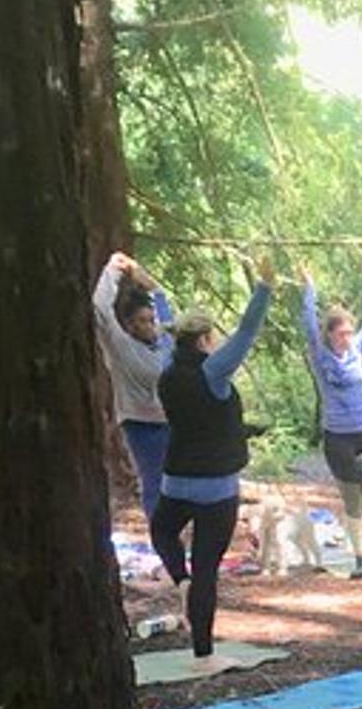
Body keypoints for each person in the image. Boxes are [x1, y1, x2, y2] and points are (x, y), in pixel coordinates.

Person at [151, 255, 277, 673]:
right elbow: (247, 331)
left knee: (163, 532)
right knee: (207, 567)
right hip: (217, 487)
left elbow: (168, 319)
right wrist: (264, 287)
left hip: (175, 480)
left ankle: (180, 580)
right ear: (205, 338)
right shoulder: (213, 371)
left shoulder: (169, 367)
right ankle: (203, 654)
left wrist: (151, 286)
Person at [301, 256, 362, 572]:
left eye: (349, 333)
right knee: (354, 498)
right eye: (340, 334)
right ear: (329, 335)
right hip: (339, 439)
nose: (346, 338)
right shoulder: (320, 354)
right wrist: (309, 287)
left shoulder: (356, 347)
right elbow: (308, 322)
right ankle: (359, 556)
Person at [91, 252, 177, 517]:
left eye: (151, 321)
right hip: (140, 424)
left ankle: (174, 532)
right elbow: (100, 310)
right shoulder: (120, 346)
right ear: (129, 324)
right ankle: (160, 535)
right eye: (142, 321)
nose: (150, 326)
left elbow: (168, 314)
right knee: (154, 481)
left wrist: (147, 281)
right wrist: (113, 271)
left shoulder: (164, 345)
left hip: (171, 421)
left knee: (176, 482)